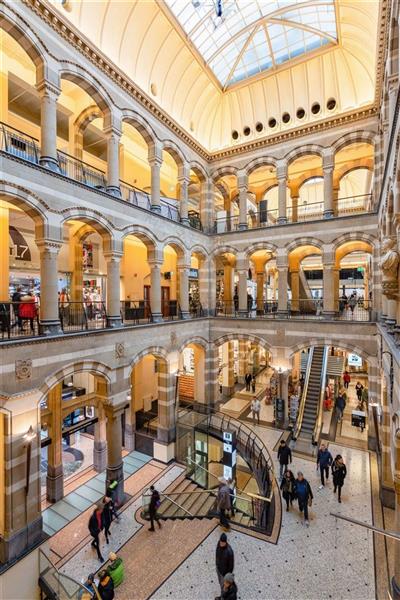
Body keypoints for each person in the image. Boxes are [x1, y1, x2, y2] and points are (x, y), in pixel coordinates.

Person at [215, 533, 234, 599]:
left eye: (223, 542)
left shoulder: (229, 551)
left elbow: (231, 566)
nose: (221, 544)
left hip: (224, 574)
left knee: (224, 587)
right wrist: (216, 564)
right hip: (218, 569)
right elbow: (217, 553)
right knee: (221, 584)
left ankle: (222, 597)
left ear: (226, 542)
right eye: (220, 542)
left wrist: (227, 577)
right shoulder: (218, 543)